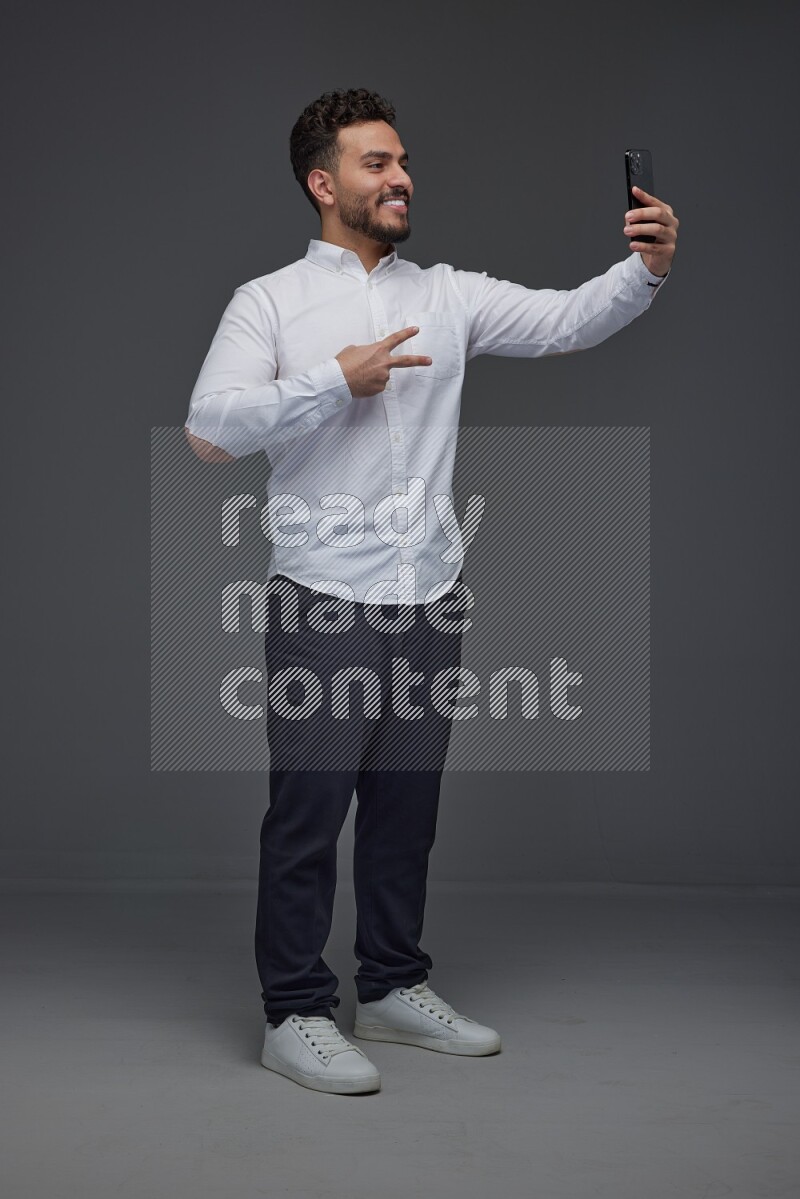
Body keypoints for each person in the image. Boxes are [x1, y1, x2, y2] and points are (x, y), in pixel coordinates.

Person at [184, 88, 679, 1095]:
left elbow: (563, 323)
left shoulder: (445, 294)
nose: (399, 175)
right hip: (320, 596)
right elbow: (208, 430)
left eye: (401, 159)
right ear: (324, 183)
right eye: (375, 163)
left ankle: (392, 985)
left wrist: (646, 268)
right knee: (309, 811)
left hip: (428, 596)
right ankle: (293, 1008)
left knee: (405, 809)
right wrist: (333, 379)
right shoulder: (270, 301)